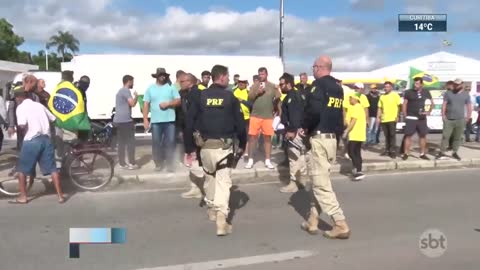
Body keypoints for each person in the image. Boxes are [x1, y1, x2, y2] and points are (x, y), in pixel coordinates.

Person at [184, 64, 246, 236]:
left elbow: (189, 122)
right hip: (223, 148)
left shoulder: (201, 96)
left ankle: (211, 209)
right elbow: (241, 125)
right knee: (223, 181)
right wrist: (243, 144)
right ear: (222, 77)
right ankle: (221, 218)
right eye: (227, 76)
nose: (228, 79)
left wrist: (189, 148)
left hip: (204, 147)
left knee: (210, 177)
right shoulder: (230, 97)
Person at [300, 55, 350, 239]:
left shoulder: (318, 86)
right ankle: (313, 220)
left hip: (319, 139)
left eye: (313, 67)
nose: (312, 70)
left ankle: (340, 223)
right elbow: (338, 115)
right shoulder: (338, 88)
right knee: (319, 179)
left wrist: (304, 126)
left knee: (320, 184)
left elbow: (312, 111)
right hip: (331, 139)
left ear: (319, 67)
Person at [10, 90, 66, 204]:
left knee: (22, 170)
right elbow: (53, 119)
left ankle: (23, 197)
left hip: (32, 140)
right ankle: (60, 196)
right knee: (53, 169)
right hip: (46, 139)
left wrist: (20, 130)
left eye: (15, 99)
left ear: (19, 98)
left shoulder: (21, 108)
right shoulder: (39, 105)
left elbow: (22, 124)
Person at [143, 68, 181, 172]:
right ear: (156, 76)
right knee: (156, 143)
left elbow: (178, 101)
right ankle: (158, 164)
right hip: (156, 122)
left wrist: (168, 103)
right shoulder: (150, 88)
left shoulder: (171, 88)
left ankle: (170, 164)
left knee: (170, 142)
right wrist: (145, 119)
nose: (162, 76)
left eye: (164, 75)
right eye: (160, 75)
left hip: (169, 121)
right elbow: (146, 104)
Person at [245, 67, 281, 169]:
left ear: (267, 74)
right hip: (255, 116)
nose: (261, 76)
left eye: (263, 74)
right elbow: (249, 97)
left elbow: (278, 97)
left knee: (267, 139)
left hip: (268, 116)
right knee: (252, 138)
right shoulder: (254, 86)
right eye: (260, 74)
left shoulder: (272, 86)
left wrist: (277, 89)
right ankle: (251, 160)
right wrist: (258, 92)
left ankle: (268, 160)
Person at [278, 72, 307, 193]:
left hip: (294, 132)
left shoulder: (292, 97)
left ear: (288, 84)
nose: (280, 86)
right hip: (299, 130)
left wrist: (291, 131)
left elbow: (295, 116)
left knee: (294, 158)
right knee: (301, 157)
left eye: (282, 84)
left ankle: (294, 184)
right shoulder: (297, 95)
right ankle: (302, 181)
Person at [436, 78, 472, 161]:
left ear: (462, 84)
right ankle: (442, 152)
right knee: (445, 136)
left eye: (458, 84)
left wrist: (468, 117)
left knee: (457, 137)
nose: (456, 85)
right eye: (455, 84)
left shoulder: (466, 94)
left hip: (460, 119)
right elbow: (444, 104)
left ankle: (454, 152)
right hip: (449, 119)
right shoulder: (448, 93)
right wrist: (443, 116)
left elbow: (469, 106)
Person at [401, 77, 434, 160]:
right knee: (408, 136)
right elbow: (404, 104)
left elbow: (432, 103)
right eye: (414, 83)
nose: (415, 85)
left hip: (422, 118)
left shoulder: (426, 92)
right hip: (411, 117)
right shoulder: (408, 92)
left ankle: (422, 153)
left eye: (417, 83)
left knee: (422, 136)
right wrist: (405, 115)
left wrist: (429, 111)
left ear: (421, 84)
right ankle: (406, 153)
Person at [114, 75, 139, 170]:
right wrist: (136, 96)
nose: (133, 83)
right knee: (130, 142)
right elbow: (132, 103)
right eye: (132, 81)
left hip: (119, 120)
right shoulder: (125, 91)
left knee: (121, 142)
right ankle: (132, 163)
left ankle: (122, 163)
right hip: (125, 121)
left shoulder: (120, 91)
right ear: (128, 81)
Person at [344, 93, 367, 180]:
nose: (349, 100)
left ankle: (358, 170)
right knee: (356, 152)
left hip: (356, 133)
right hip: (358, 134)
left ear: (355, 99)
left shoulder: (357, 107)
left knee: (351, 152)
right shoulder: (357, 107)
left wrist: (346, 131)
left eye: (351, 98)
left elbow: (353, 121)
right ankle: (358, 170)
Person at [377, 81, 401, 159]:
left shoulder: (395, 95)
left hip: (392, 118)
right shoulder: (382, 97)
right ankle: (387, 150)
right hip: (384, 119)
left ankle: (392, 151)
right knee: (386, 135)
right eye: (385, 87)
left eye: (387, 87)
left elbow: (399, 106)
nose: (386, 88)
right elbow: (380, 108)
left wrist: (397, 116)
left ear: (391, 87)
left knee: (392, 135)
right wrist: (378, 117)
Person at [233, 77, 251, 158]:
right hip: (236, 117)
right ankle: (236, 151)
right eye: (240, 82)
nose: (241, 83)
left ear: (246, 83)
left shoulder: (249, 92)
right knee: (236, 135)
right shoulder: (233, 92)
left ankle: (246, 152)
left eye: (243, 82)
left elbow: (252, 105)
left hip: (246, 117)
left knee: (247, 135)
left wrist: (242, 101)